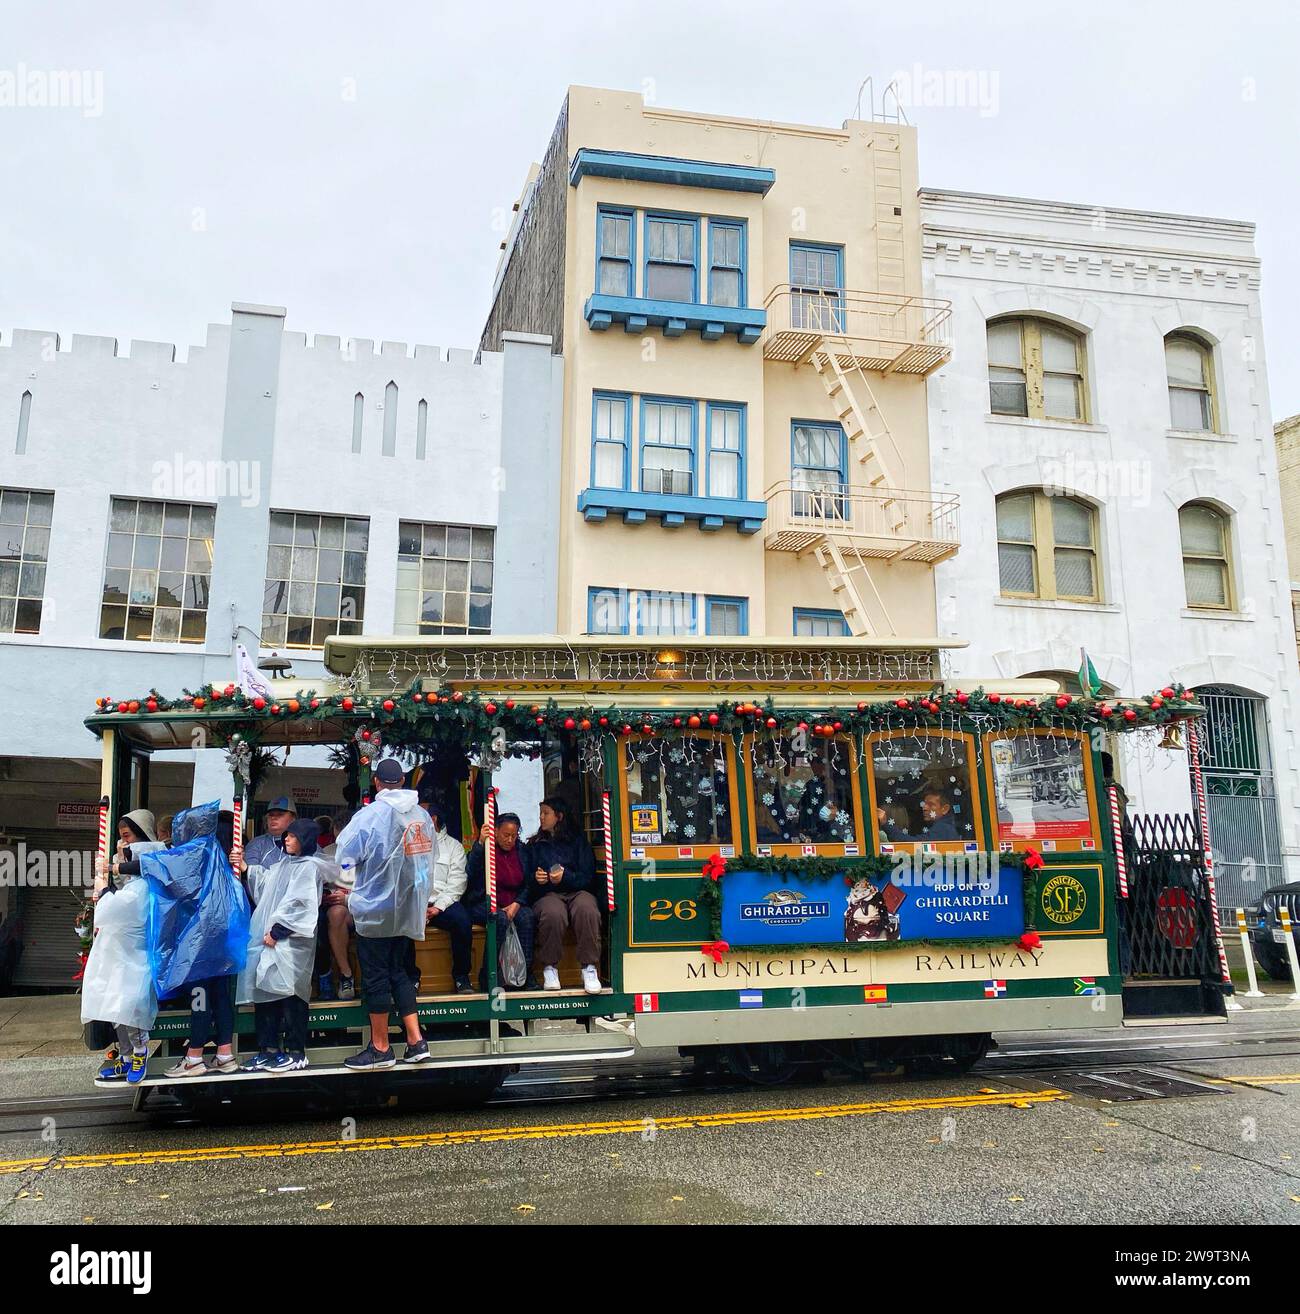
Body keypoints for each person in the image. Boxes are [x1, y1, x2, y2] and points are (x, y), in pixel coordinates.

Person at [335, 759, 433, 1069]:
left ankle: (380, 1048)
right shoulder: (421, 816)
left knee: (376, 978)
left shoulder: (369, 816)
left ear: (377, 783)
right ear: (402, 780)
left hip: (376, 912)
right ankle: (416, 1042)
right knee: (399, 972)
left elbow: (345, 858)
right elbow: (427, 862)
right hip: (407, 910)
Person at [157, 808, 250, 1078]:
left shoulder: (198, 854)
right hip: (225, 940)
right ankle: (224, 1054)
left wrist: (116, 865)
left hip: (199, 942)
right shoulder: (225, 862)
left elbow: (164, 872)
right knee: (220, 996)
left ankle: (194, 1056)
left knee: (200, 998)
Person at [237, 818, 327, 1072]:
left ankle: (297, 1050)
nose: (286, 840)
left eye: (292, 836)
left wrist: (278, 932)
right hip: (272, 941)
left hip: (291, 944)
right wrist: (246, 867)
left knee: (292, 995)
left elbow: (303, 905)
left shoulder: (308, 867)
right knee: (266, 993)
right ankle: (268, 1049)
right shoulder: (285, 863)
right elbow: (267, 884)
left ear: (304, 840)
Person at [527, 797, 602, 995]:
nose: (541, 817)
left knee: (587, 909)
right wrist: (538, 879)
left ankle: (589, 968)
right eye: (541, 813)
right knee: (553, 913)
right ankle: (550, 968)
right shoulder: (535, 844)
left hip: (578, 891)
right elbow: (526, 879)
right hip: (548, 894)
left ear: (559, 816)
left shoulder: (578, 841)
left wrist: (565, 877)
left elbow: (588, 877)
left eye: (546, 813)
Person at [463, 811, 538, 991]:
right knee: (499, 919)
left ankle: (525, 972)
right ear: (495, 832)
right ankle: (490, 974)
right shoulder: (486, 847)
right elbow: (470, 872)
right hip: (483, 902)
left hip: (514, 902)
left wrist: (517, 903)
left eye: (514, 835)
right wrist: (480, 843)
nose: (510, 840)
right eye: (506, 835)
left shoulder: (522, 852)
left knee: (527, 918)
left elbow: (529, 882)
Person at [418, 791, 472, 993]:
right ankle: (410, 978)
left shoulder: (453, 846)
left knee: (462, 921)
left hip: (442, 904)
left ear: (432, 819)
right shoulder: (410, 843)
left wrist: (438, 907)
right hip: (416, 903)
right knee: (399, 922)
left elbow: (457, 882)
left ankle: (461, 977)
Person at [877, 788, 960, 842]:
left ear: (944, 809)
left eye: (931, 804)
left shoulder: (943, 828)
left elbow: (914, 844)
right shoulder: (943, 825)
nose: (924, 808)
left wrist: (885, 823)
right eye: (924, 804)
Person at [243, 796, 296, 868]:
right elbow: (250, 872)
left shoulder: (303, 843)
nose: (273, 818)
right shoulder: (256, 843)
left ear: (292, 819)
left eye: (280, 814)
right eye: (271, 815)